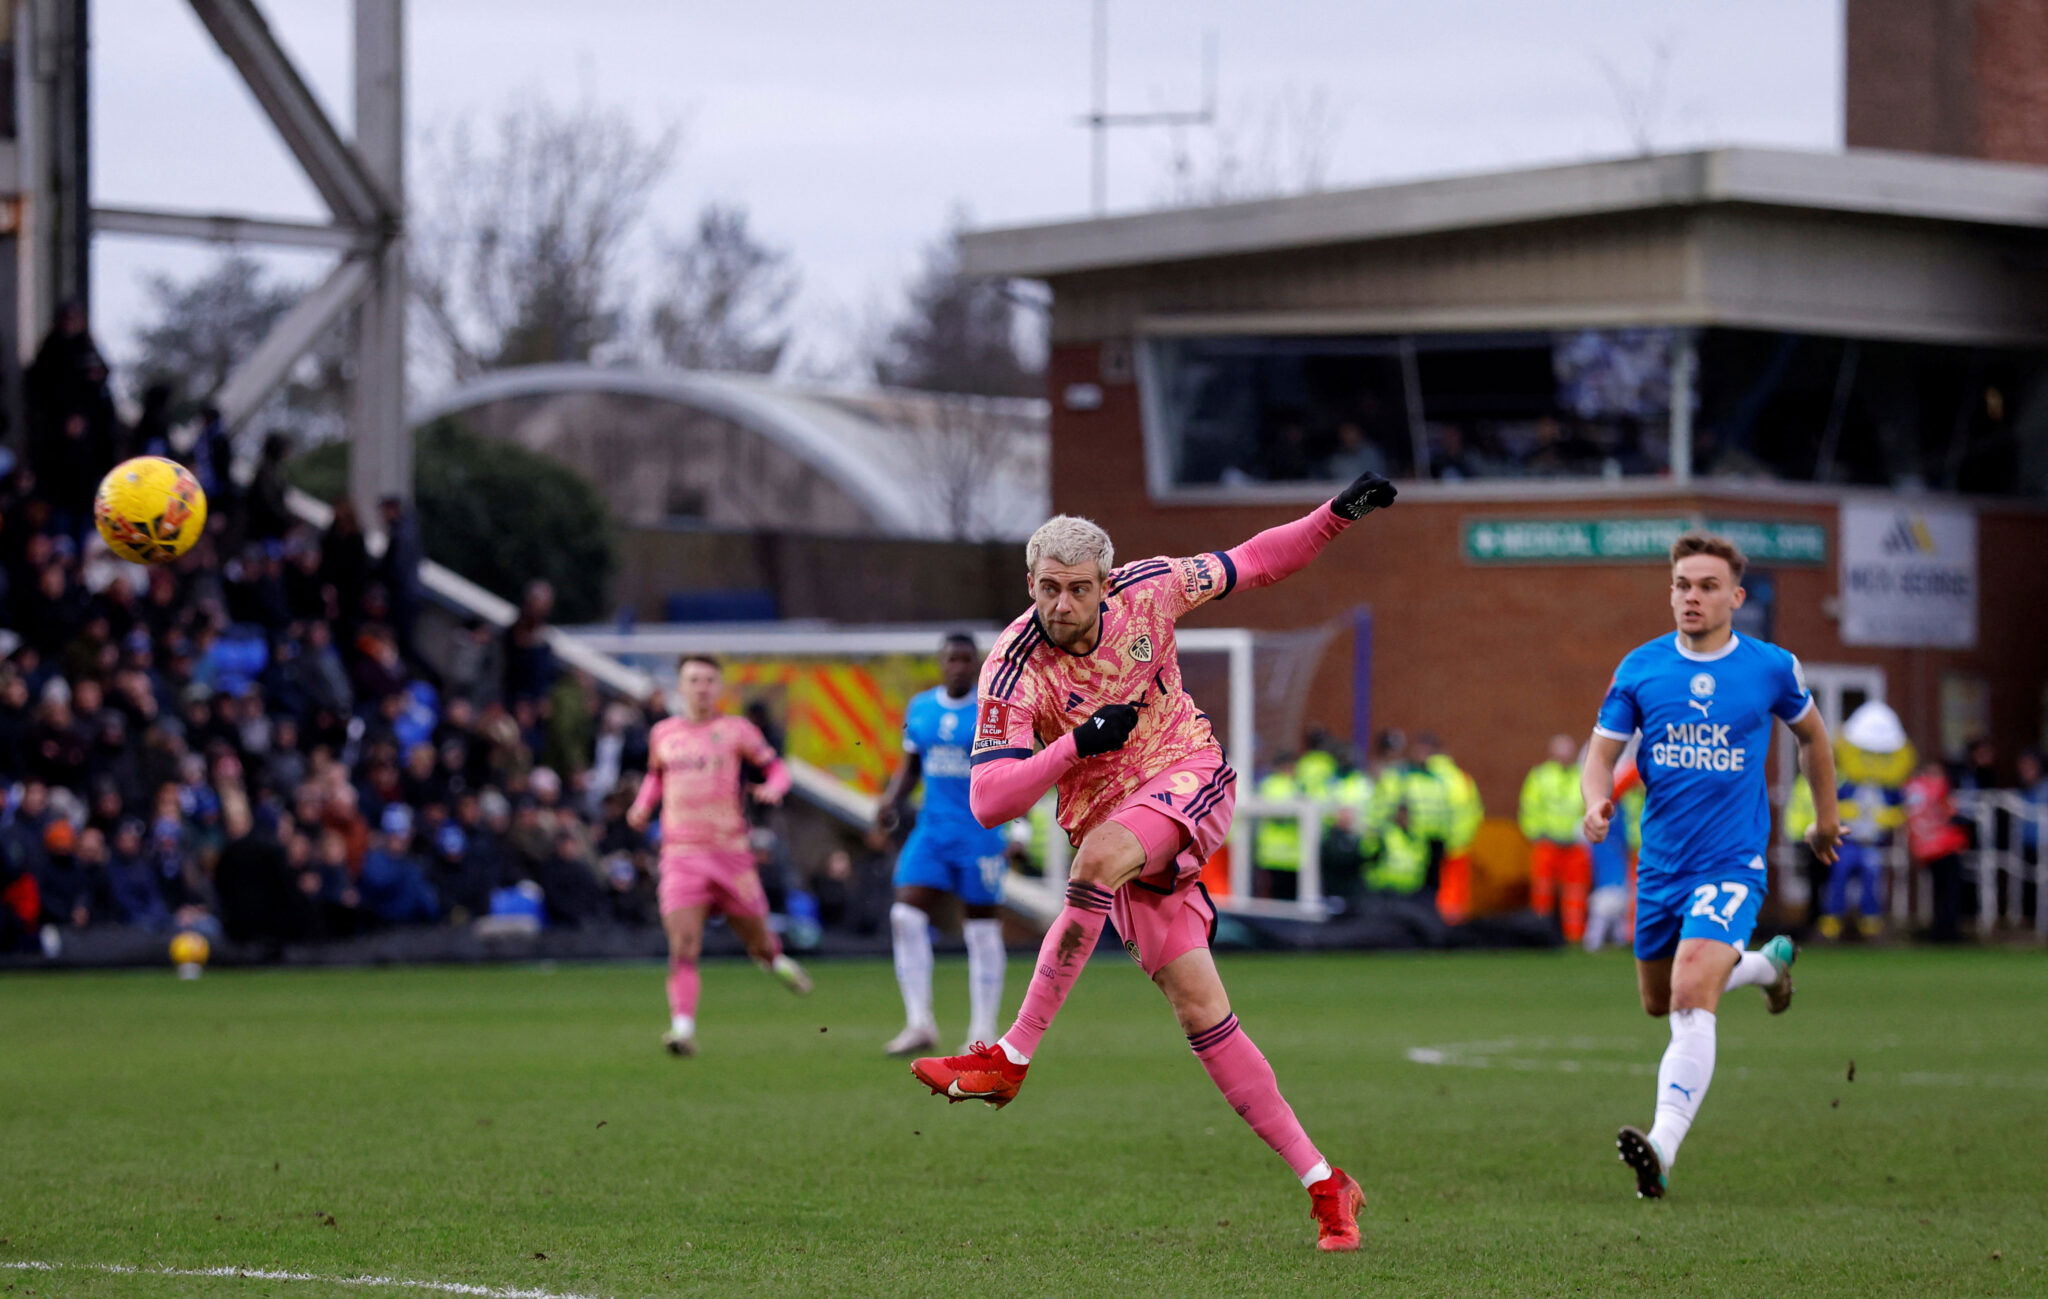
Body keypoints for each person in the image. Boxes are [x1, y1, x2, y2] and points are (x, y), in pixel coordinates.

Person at [908, 467, 1397, 1252]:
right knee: (1202, 1012)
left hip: (1186, 774)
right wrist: (1074, 744)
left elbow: (1257, 559)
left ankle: (1010, 1055)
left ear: (1106, 584)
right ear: (1029, 583)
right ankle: (1326, 1183)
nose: (1060, 605)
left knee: (1096, 861)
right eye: (1046, 588)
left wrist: (1335, 515)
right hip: (1113, 822)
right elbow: (990, 800)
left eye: (1076, 588)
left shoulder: (1154, 588)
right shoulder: (1013, 664)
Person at [1582, 532, 1841, 1200]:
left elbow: (1813, 736)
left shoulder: (1771, 667)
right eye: (1680, 584)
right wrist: (1594, 802)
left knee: (1691, 992)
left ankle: (1661, 1148)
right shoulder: (1639, 667)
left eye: (1705, 586)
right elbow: (1599, 754)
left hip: (1732, 861)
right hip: (1663, 866)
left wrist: (1825, 815)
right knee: (1655, 999)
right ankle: (1765, 966)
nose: (1690, 596)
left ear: (1735, 596)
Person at [627, 655, 811, 1057]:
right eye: (693, 679)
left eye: (709, 680)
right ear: (680, 686)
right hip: (680, 854)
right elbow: (656, 777)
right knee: (683, 945)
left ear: (719, 687)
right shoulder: (663, 734)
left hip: (730, 854)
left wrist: (774, 788)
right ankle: (682, 1028)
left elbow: (776, 769)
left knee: (758, 942)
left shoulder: (736, 731)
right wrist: (642, 806)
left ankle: (777, 961)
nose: (702, 687)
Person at [875, 632, 1011, 1056]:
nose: (958, 666)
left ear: (977, 664)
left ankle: (982, 1031)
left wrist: (1018, 829)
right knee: (905, 915)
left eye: (966, 659)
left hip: (980, 832)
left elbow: (1013, 773)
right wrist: (891, 800)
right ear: (941, 662)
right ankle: (919, 1022)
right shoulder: (921, 709)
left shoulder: (993, 713)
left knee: (982, 928)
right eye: (952, 659)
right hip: (932, 830)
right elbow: (912, 765)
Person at [1521, 734, 1589, 941]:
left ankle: (1574, 936)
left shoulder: (1582, 775)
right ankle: (1541, 933)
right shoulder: (1540, 776)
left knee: (1576, 893)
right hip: (1547, 843)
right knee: (1542, 891)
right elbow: (1529, 807)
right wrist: (1536, 834)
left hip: (1575, 845)